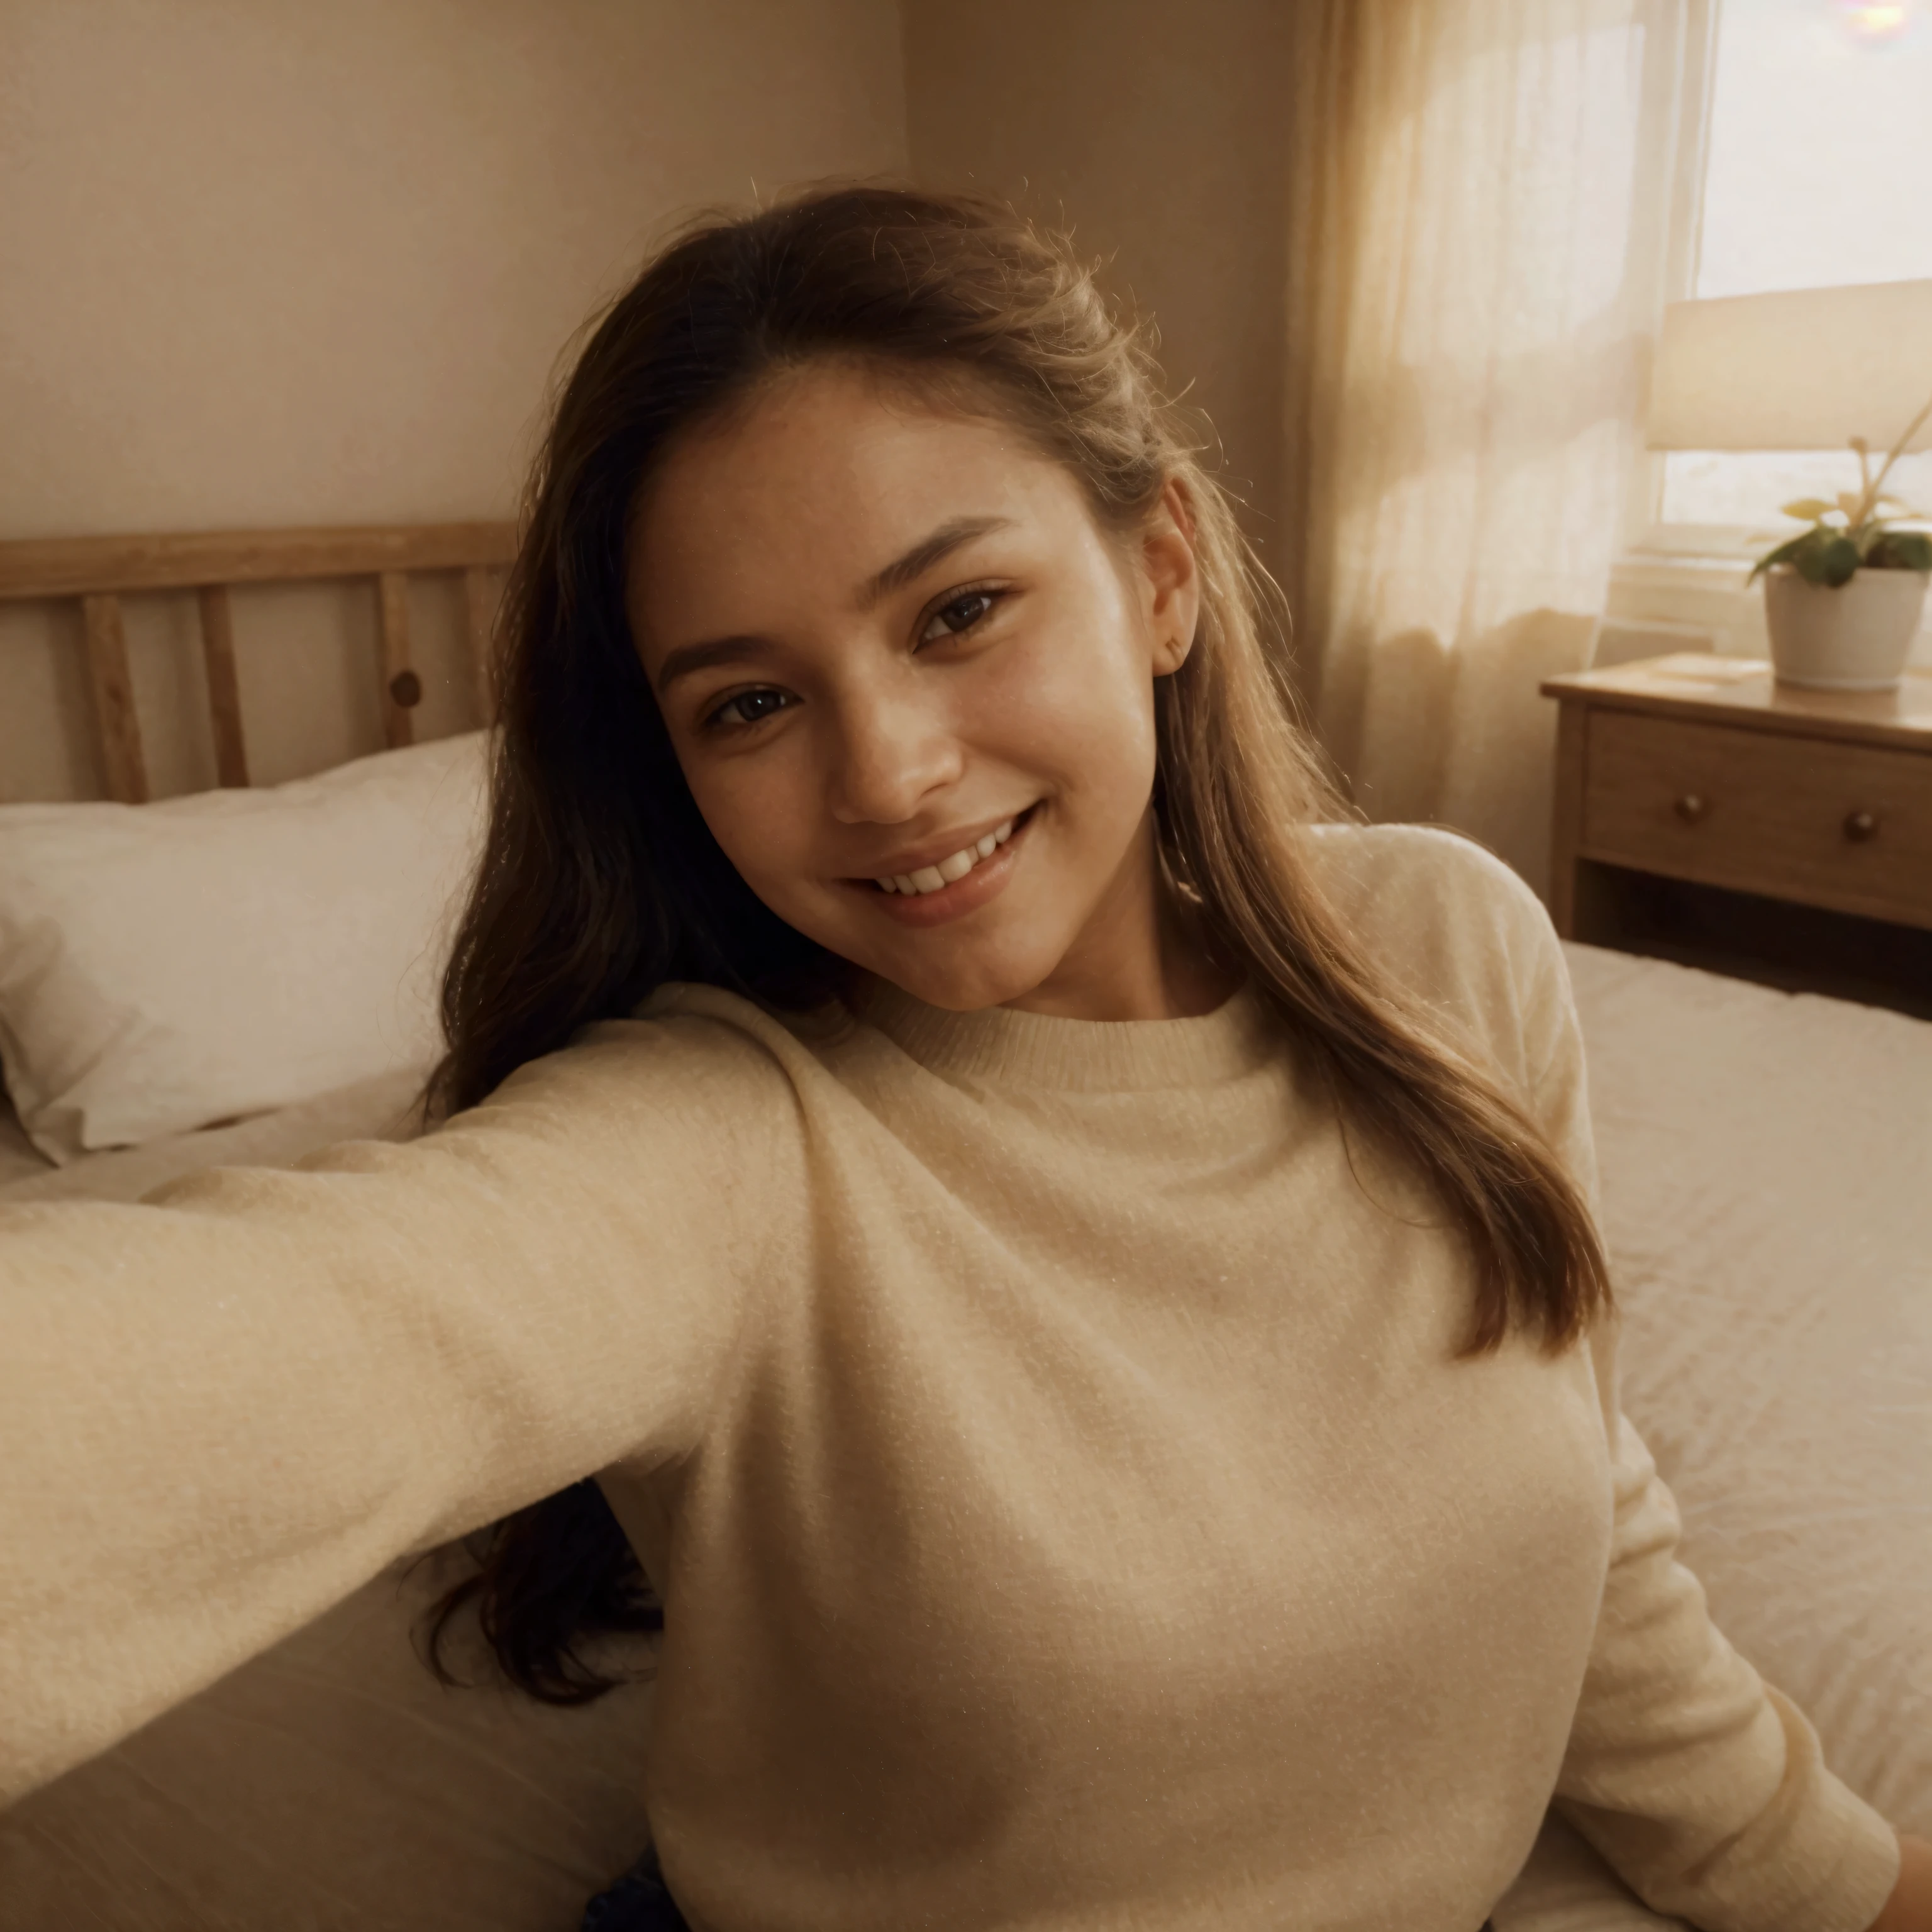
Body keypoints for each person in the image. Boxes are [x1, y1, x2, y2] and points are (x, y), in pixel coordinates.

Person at [2, 186, 1926, 1932]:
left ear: (1161, 573)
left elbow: (1590, 1514)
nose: (887, 774)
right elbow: (267, 1345)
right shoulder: (720, 1151)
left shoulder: (1448, 943)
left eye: (959, 612)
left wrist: (1830, 1881)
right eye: (750, 701)